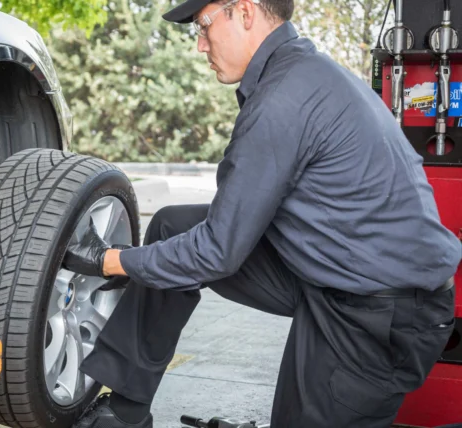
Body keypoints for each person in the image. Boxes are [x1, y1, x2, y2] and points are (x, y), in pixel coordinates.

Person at [62, 0, 462, 427]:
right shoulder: (301, 74)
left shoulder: (283, 98)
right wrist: (140, 263)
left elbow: (217, 252)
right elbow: (224, 231)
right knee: (173, 227)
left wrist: (110, 260)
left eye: (203, 26)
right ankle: (125, 410)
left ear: (246, 12)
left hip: (381, 316)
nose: (200, 45)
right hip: (331, 274)